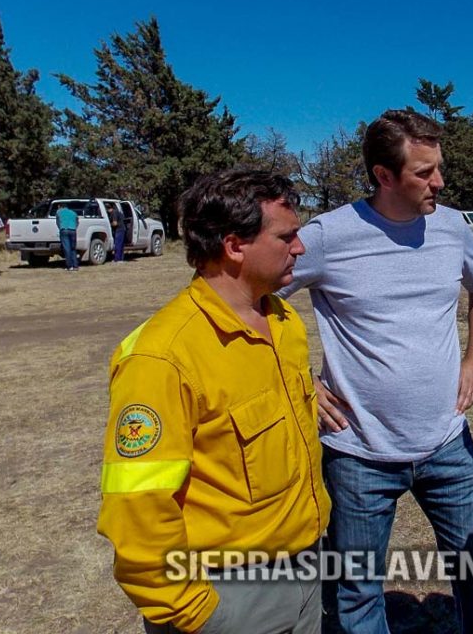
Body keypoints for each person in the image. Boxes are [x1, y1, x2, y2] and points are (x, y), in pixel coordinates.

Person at [279, 109, 473, 634]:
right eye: (424, 173)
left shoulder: (453, 228)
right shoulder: (329, 236)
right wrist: (300, 384)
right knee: (358, 594)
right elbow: (251, 301)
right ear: (383, 176)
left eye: (439, 168)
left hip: (448, 445)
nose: (440, 183)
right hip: (358, 453)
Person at [97, 169, 331, 634]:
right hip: (228, 597)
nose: (300, 248)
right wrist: (197, 614)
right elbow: (137, 512)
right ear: (234, 246)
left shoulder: (283, 321)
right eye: (288, 236)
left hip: (305, 571)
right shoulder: (161, 357)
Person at [56, 204, 79, 271]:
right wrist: (74, 227)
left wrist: (60, 228)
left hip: (64, 229)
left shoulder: (59, 213)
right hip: (73, 230)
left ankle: (69, 266)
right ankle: (75, 266)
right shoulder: (73, 213)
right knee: (73, 248)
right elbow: (77, 222)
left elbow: (57, 222)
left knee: (67, 249)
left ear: (61, 207)